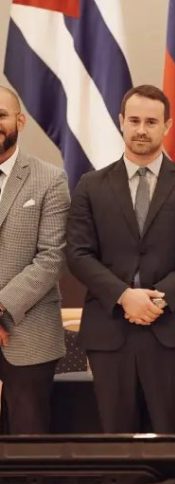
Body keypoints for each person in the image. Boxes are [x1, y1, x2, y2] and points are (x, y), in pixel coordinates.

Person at [66, 84, 175, 433]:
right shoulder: (90, 185)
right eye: (134, 120)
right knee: (117, 440)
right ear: (121, 121)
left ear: (167, 126)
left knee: (172, 438)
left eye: (151, 122)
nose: (141, 130)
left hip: (170, 330)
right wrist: (124, 296)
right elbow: (77, 253)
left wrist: (159, 299)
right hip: (110, 332)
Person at [0, 86, 70, 433]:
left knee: (28, 443)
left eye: (1, 115)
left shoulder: (50, 178)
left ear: (20, 121)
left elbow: (51, 258)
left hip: (28, 335)